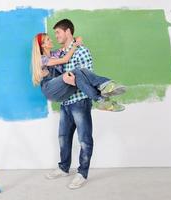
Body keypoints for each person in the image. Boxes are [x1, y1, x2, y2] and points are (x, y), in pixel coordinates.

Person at [41, 19, 121, 189]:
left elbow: (87, 76)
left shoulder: (82, 51)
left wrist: (74, 81)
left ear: (68, 31)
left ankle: (82, 173)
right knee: (63, 138)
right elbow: (52, 64)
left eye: (58, 33)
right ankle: (63, 168)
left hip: (80, 101)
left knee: (84, 139)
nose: (56, 36)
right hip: (65, 103)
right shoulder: (60, 54)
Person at [31, 32, 126, 111]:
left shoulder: (54, 54)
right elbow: (64, 59)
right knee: (75, 72)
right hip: (50, 90)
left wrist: (77, 40)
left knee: (80, 74)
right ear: (43, 45)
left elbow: (68, 46)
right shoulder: (42, 59)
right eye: (48, 39)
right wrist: (75, 46)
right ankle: (105, 85)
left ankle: (102, 101)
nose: (51, 40)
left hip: (61, 92)